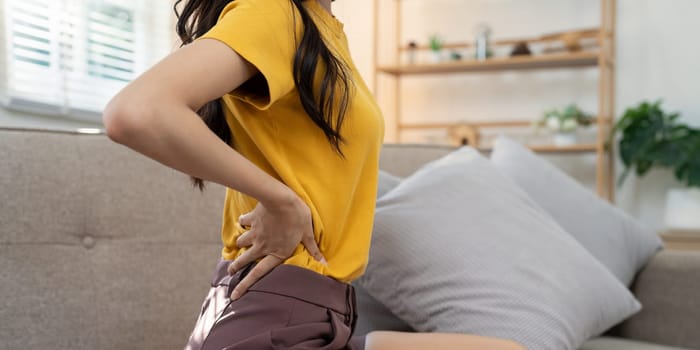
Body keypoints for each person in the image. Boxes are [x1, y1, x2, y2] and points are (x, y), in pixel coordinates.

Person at [102, 0, 526, 349]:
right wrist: (279, 199)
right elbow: (135, 112)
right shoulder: (272, 13)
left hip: (326, 317)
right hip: (271, 312)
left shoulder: (322, 30)